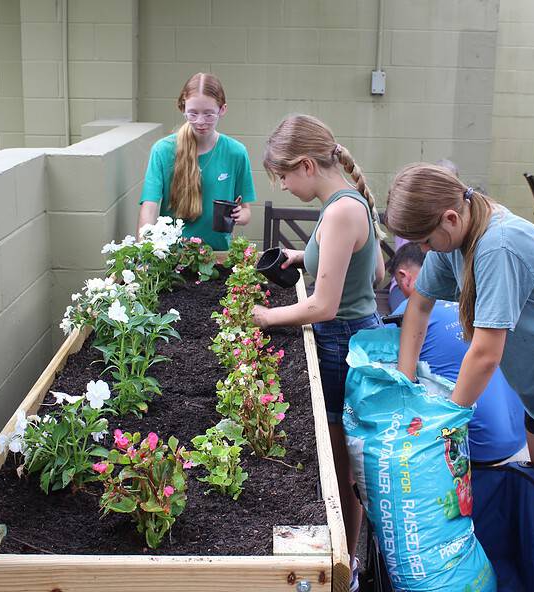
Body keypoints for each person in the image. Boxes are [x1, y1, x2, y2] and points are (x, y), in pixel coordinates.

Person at [385, 163, 534, 567]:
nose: (424, 252)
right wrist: (405, 379)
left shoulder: (498, 245)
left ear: (449, 217)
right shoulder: (458, 234)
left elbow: (485, 352)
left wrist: (446, 424)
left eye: (427, 241)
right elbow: (419, 305)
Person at [250, 114, 386, 591]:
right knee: (334, 457)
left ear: (306, 165)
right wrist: (297, 257)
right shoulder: (340, 204)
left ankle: (345, 566)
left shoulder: (341, 210)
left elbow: (324, 305)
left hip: (341, 342)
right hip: (344, 335)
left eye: (283, 175)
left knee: (336, 462)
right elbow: (336, 265)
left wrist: (266, 318)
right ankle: (346, 558)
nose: (283, 186)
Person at [389, 242, 526, 464]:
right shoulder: (476, 301)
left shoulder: (404, 313)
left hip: (477, 445)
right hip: (521, 435)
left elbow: (389, 375)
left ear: (404, 277)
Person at [137, 72, 256, 250]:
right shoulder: (162, 151)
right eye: (192, 114)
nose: (200, 121)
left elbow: (247, 213)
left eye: (209, 114)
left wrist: (240, 215)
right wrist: (144, 250)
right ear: (182, 108)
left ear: (222, 110)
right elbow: (150, 207)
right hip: (172, 257)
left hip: (218, 257)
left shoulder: (236, 153)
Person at [387, 159, 460, 312]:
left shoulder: (446, 234)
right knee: (402, 315)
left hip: (441, 286)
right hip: (411, 281)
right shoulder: (422, 221)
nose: (425, 248)